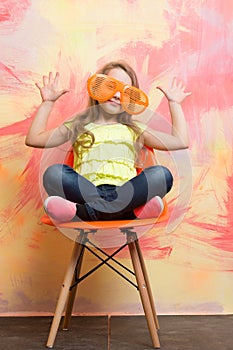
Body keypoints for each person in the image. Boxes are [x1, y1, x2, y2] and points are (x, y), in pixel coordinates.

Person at [25, 60, 191, 222]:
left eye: (126, 92)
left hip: (128, 193)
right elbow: (34, 138)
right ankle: (128, 213)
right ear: (97, 87)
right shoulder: (79, 124)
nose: (118, 95)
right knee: (54, 173)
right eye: (111, 86)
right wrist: (48, 102)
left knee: (161, 174)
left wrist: (174, 104)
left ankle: (82, 213)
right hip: (85, 191)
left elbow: (180, 141)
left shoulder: (135, 129)